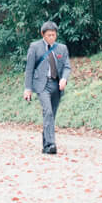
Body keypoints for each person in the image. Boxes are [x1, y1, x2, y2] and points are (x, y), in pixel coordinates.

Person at [23, 20, 72, 155]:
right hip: (42, 85)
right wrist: (28, 88)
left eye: (53, 35)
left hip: (56, 85)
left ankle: (46, 146)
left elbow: (67, 66)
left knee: (51, 115)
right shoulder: (35, 47)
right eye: (49, 35)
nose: (51, 37)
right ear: (43, 34)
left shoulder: (62, 48)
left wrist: (64, 79)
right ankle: (51, 144)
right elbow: (29, 69)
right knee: (48, 112)